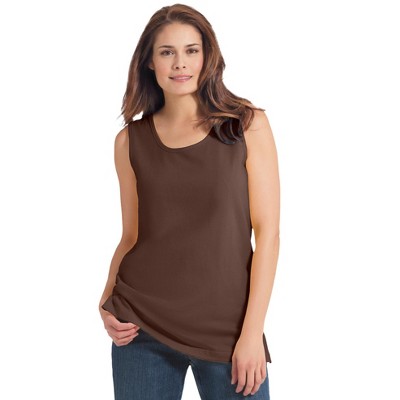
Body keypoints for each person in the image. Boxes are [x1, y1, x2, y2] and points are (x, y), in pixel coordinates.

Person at [99, 3, 280, 399]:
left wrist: (252, 334)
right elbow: (131, 236)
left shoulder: (247, 125)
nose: (180, 63)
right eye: (167, 52)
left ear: (206, 56)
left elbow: (268, 235)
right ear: (149, 61)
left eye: (191, 50)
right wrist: (106, 300)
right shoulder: (129, 141)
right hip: (141, 326)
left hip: (228, 332)